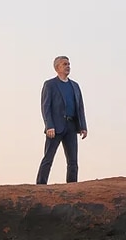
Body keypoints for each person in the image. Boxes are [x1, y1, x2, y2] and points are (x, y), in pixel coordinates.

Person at [36, 55, 88, 184]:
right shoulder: (50, 84)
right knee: (48, 158)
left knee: (73, 161)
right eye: (64, 64)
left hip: (71, 126)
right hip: (55, 127)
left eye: (68, 64)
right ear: (57, 67)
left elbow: (80, 107)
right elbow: (45, 107)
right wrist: (49, 125)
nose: (68, 66)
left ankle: (72, 186)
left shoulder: (75, 86)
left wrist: (83, 126)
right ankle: (40, 185)